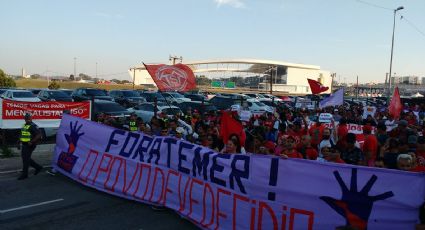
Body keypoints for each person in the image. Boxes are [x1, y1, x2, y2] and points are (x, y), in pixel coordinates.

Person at [17, 113, 43, 180]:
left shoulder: (33, 125)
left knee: (25, 159)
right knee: (26, 158)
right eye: (26, 118)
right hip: (24, 144)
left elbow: (39, 134)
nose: (27, 119)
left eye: (29, 118)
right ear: (24, 119)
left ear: (31, 118)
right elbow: (22, 134)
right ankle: (38, 167)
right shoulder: (24, 125)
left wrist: (32, 142)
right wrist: (18, 142)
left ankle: (25, 174)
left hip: (30, 145)